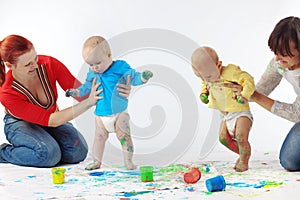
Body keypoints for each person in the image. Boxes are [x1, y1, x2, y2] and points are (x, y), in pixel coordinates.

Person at [0, 34, 131, 168]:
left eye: (35, 58)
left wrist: (116, 89)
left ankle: (47, 145)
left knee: (78, 152)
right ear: (10, 66)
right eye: (28, 64)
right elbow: (52, 120)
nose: (35, 65)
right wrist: (89, 102)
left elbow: (83, 93)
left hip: (51, 120)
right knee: (49, 155)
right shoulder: (6, 92)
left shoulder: (49, 64)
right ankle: (3, 152)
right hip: (22, 124)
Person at [65, 36, 153, 170]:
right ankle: (96, 162)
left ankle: (129, 162)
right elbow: (86, 87)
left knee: (124, 137)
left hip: (119, 113)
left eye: (98, 63)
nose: (94, 67)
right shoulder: (92, 72)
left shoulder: (120, 67)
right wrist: (76, 92)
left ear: (109, 55)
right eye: (91, 65)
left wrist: (143, 77)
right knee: (99, 138)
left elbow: (133, 76)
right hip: (100, 115)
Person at [225, 16, 300, 171]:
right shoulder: (279, 63)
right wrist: (238, 90)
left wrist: (255, 96)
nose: (278, 58)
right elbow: (261, 90)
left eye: (285, 53)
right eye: (276, 52)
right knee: (289, 161)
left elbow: (296, 114)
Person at [191, 46, 255, 172]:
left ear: (218, 65)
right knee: (223, 139)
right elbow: (205, 84)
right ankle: (244, 153)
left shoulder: (230, 72)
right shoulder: (207, 76)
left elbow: (248, 80)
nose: (206, 80)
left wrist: (244, 95)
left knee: (241, 136)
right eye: (202, 77)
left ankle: (244, 160)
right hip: (226, 115)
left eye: (208, 76)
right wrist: (204, 94)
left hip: (240, 112)